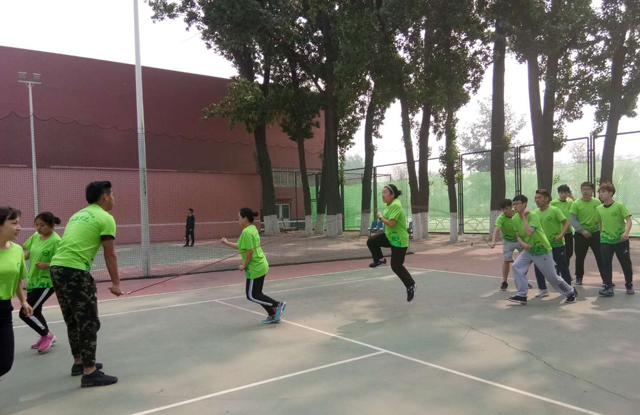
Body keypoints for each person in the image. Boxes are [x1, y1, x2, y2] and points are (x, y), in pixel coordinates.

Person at [50, 181, 123, 387]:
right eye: (112, 195)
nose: (113, 198)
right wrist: (116, 283)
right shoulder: (106, 218)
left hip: (56, 268)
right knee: (88, 321)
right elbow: (110, 254)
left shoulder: (78, 214)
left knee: (73, 319)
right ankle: (90, 373)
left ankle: (79, 363)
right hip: (75, 271)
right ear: (105, 197)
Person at [506, 195, 578, 305]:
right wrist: (523, 243)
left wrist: (524, 217)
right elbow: (518, 235)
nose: (515, 206)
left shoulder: (533, 215)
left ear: (525, 204)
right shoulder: (515, 218)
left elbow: (529, 232)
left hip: (542, 249)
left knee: (552, 277)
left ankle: (571, 292)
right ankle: (521, 295)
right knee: (517, 266)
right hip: (529, 250)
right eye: (513, 204)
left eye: (518, 203)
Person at [222, 208, 285, 324]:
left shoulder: (246, 232)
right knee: (258, 294)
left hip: (255, 267)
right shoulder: (252, 228)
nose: (237, 219)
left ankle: (277, 305)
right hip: (261, 264)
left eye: (239, 217)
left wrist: (244, 265)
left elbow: (249, 251)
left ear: (245, 218)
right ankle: (272, 314)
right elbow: (241, 246)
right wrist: (226, 243)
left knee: (251, 295)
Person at [20, 212, 62, 354]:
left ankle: (47, 335)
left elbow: (62, 260)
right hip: (33, 280)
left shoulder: (56, 241)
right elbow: (29, 253)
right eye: (36, 224)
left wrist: (47, 264)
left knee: (25, 312)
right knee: (36, 311)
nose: (38, 228)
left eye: (42, 225)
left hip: (46, 283)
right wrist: (16, 260)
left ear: (51, 225)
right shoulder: (35, 236)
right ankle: (45, 336)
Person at [366, 184, 417, 302]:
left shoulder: (396, 205)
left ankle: (411, 285)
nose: (383, 195)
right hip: (390, 237)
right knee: (371, 241)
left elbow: (391, 223)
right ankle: (380, 260)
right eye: (382, 192)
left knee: (396, 266)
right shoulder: (388, 204)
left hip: (399, 240)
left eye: (385, 193)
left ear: (392, 194)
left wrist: (380, 217)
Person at [0, 206, 33, 378]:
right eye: (14, 223)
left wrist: (23, 301)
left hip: (4, 310)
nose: (19, 227)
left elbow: (18, 279)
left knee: (5, 363)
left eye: (19, 223)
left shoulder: (17, 250)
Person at [532, 189, 573, 297]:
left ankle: (569, 289)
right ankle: (543, 289)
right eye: (535, 198)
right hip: (542, 246)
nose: (537, 200)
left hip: (556, 245)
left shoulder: (555, 210)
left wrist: (561, 235)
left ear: (546, 199)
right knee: (538, 266)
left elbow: (566, 223)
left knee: (562, 266)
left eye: (539, 198)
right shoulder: (534, 213)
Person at [595, 183, 633, 296]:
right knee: (605, 263)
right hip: (605, 240)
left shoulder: (619, 205)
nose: (601, 194)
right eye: (599, 192)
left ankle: (629, 284)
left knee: (625, 263)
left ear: (611, 193)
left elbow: (628, 220)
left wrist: (626, 233)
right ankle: (608, 287)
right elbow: (600, 223)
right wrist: (601, 235)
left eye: (603, 192)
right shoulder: (599, 208)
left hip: (621, 240)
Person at [570, 182, 604, 285]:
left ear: (592, 191)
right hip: (580, 235)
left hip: (595, 234)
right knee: (580, 257)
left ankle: (605, 279)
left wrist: (601, 229)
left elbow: (602, 216)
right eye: (583, 189)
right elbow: (573, 219)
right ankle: (579, 277)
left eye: (588, 189)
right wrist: (582, 231)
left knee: (600, 256)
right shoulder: (576, 203)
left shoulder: (597, 202)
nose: (585, 191)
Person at [490, 199, 523, 291]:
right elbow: (496, 229)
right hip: (508, 241)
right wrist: (493, 241)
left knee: (525, 260)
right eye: (502, 209)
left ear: (511, 207)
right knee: (506, 260)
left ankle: (523, 280)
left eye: (506, 208)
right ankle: (504, 281)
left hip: (520, 240)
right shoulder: (501, 217)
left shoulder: (518, 214)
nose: (504, 211)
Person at [550, 184, 575, 267]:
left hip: (568, 231)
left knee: (569, 252)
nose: (563, 195)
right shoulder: (553, 203)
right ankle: (558, 270)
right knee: (559, 252)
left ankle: (565, 269)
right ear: (558, 193)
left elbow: (578, 205)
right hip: (558, 232)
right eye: (561, 193)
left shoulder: (570, 202)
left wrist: (571, 196)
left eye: (565, 192)